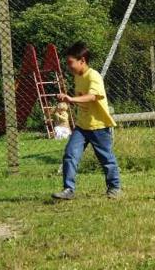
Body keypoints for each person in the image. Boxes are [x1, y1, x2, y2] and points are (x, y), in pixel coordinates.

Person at [52, 42, 121, 200]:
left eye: (71, 63)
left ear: (82, 60)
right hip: (82, 127)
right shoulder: (78, 76)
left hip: (99, 126)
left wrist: (70, 98)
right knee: (70, 154)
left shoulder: (93, 76)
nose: (69, 67)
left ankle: (114, 188)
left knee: (106, 158)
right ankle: (68, 189)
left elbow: (92, 96)